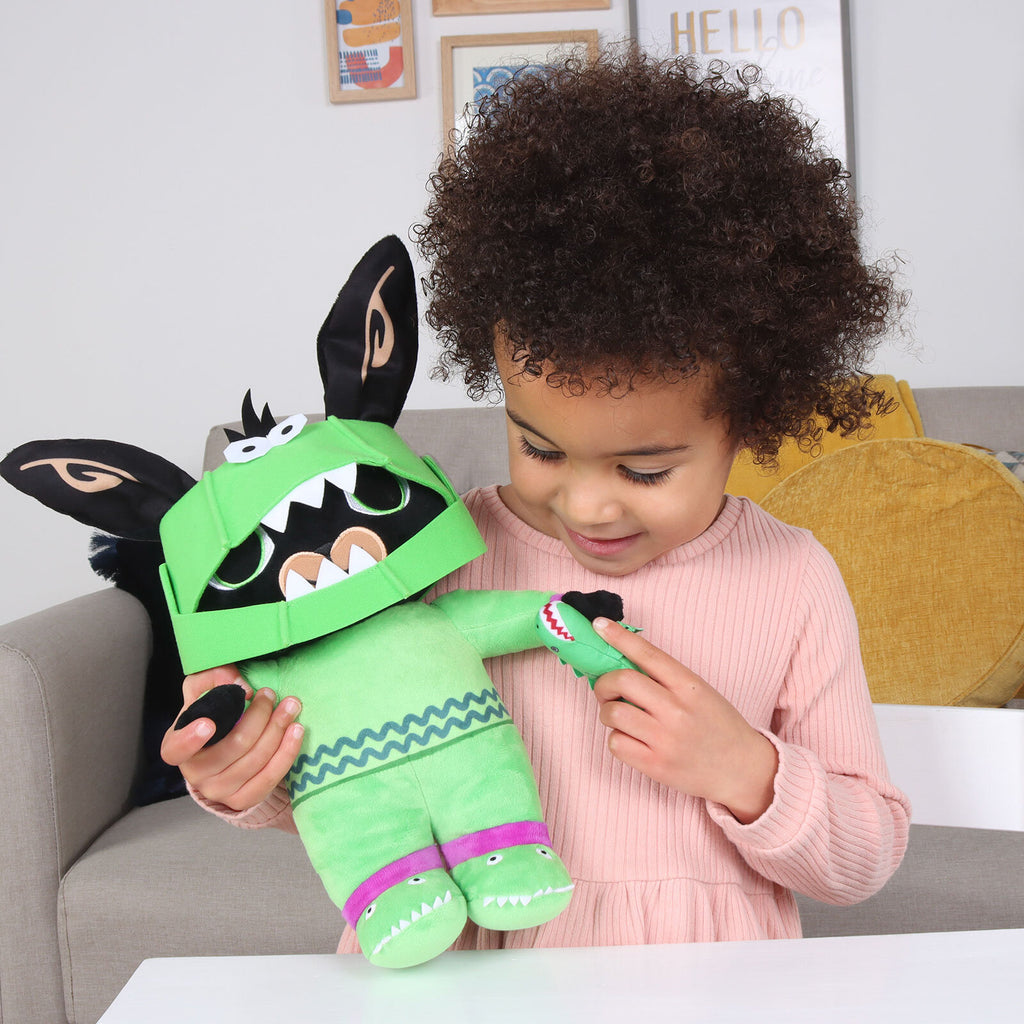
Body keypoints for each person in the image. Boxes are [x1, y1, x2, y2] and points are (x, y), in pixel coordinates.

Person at [162, 47, 910, 951]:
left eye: (644, 471)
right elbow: (354, 782)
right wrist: (242, 775)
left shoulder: (791, 578)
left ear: (747, 423)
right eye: (542, 448)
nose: (588, 507)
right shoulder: (422, 555)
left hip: (698, 986)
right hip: (465, 983)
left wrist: (746, 771)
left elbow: (865, 860)